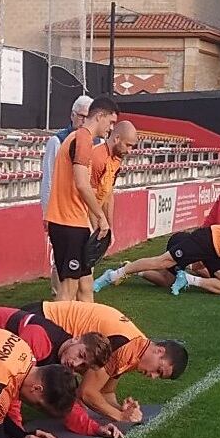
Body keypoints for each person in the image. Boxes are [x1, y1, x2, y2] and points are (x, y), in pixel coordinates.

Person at [24, 300, 187, 427]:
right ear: (159, 351)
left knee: (64, 396)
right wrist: (119, 417)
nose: (153, 376)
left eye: (158, 376)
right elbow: (87, 393)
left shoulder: (136, 348)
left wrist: (122, 410)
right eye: (159, 370)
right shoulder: (125, 346)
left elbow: (106, 392)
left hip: (45, 324)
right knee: (47, 387)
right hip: (39, 321)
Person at [97, 223, 220, 299]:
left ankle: (188, 279)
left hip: (217, 253)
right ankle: (115, 274)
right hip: (207, 240)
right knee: (162, 263)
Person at [44, 97, 119, 301]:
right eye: (110, 122)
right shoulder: (83, 139)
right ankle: (57, 332)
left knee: (85, 285)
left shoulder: (77, 138)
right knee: (68, 288)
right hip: (69, 222)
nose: (111, 128)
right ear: (100, 116)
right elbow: (82, 184)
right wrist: (101, 218)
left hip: (71, 221)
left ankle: (88, 331)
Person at [74, 120, 138, 302]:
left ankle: (81, 309)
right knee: (78, 274)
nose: (130, 151)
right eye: (128, 145)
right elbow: (87, 194)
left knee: (85, 272)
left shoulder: (116, 160)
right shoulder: (97, 157)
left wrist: (109, 227)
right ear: (116, 138)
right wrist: (98, 225)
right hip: (80, 216)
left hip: (94, 218)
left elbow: (108, 194)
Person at [40, 94, 93, 297]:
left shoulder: (91, 140)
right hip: (62, 212)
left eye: (88, 116)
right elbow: (49, 179)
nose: (83, 121)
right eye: (81, 116)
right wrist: (47, 211)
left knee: (83, 264)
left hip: (81, 211)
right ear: (72, 115)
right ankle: (58, 298)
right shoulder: (58, 140)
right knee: (64, 265)